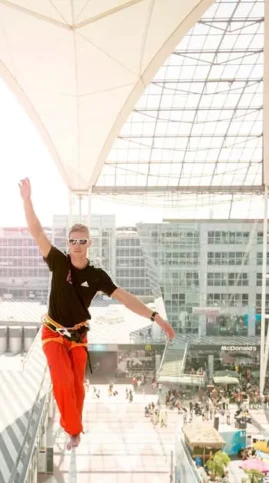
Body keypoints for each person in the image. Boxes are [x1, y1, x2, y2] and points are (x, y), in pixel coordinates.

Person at [20, 178, 175, 449]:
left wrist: (155, 317)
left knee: (78, 387)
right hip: (53, 333)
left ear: (89, 243)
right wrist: (27, 200)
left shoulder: (96, 275)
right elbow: (36, 232)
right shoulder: (58, 262)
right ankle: (72, 430)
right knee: (64, 380)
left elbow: (125, 298)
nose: (76, 244)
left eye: (81, 240)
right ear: (68, 243)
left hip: (79, 336)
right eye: (72, 241)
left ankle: (75, 428)